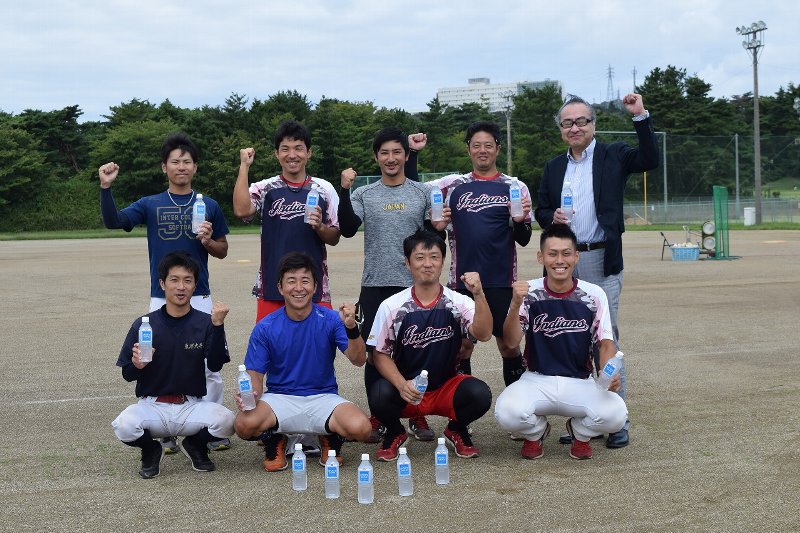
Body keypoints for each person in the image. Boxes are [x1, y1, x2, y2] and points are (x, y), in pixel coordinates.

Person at [534, 93, 659, 449]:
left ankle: (618, 417)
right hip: (565, 264)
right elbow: (542, 210)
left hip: (603, 260)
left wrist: (640, 117)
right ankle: (581, 419)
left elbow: (650, 158)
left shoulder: (613, 155)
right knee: (571, 340)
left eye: (582, 121)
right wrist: (551, 218)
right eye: (568, 123)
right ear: (561, 130)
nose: (575, 128)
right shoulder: (554, 167)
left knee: (606, 339)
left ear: (593, 125)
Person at [99, 132, 231, 453]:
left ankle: (206, 430)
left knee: (208, 366)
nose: (181, 167)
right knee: (157, 358)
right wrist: (106, 188)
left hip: (199, 294)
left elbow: (223, 250)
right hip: (160, 297)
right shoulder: (150, 204)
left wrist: (208, 241)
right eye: (175, 162)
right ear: (164, 167)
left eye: (187, 162)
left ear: (195, 167)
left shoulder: (208, 205)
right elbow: (114, 221)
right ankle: (165, 428)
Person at [338, 128, 450, 444]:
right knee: (375, 352)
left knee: (415, 349)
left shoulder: (422, 192)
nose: (391, 158)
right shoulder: (365, 194)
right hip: (374, 284)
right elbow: (347, 229)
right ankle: (379, 415)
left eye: (397, 152)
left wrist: (437, 228)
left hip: (414, 286)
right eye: (384, 153)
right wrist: (344, 189)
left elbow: (433, 238)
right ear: (377, 157)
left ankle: (416, 412)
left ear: (405, 155)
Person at [494, 225, 627, 460]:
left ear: (576, 256)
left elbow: (606, 343)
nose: (559, 260)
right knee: (506, 413)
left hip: (580, 382)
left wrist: (607, 373)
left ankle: (580, 432)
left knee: (616, 415)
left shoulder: (593, 293)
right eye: (552, 253)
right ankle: (536, 432)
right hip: (536, 379)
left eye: (566, 253)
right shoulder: (530, 292)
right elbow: (511, 341)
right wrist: (515, 304)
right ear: (541, 257)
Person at [233, 252, 372, 472]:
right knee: (243, 424)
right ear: (280, 287)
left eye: (305, 281)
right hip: (281, 398)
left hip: (323, 396)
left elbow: (358, 359)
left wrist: (352, 328)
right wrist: (250, 395)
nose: (299, 287)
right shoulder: (266, 326)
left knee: (363, 428)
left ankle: (330, 437)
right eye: (291, 281)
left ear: (315, 286)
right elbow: (255, 375)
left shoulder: (331, 319)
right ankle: (274, 439)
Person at [369, 229, 492, 460]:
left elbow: (483, 334)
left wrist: (479, 294)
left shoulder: (459, 302)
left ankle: (456, 428)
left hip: (446, 386)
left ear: (443, 261)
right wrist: (401, 384)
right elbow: (380, 354)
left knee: (479, 394)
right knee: (378, 393)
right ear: (407, 263)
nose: (428, 264)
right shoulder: (391, 305)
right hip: (407, 389)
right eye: (420, 257)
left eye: (434, 257)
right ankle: (395, 432)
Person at [427, 120, 533, 387]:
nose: (482, 150)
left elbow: (524, 239)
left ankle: (518, 410)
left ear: (497, 148)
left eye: (488, 145)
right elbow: (434, 228)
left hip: (501, 281)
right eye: (476, 146)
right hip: (462, 282)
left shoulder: (515, 186)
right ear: (468, 150)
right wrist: (436, 228)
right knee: (462, 347)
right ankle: (461, 419)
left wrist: (520, 221)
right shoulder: (452, 187)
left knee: (509, 346)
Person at [112, 252, 235, 478]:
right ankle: (151, 450)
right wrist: (136, 365)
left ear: (195, 285)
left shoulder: (205, 322)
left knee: (228, 422)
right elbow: (127, 375)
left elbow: (216, 365)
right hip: (152, 406)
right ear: (162, 284)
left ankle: (195, 445)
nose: (181, 287)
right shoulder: (144, 324)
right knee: (124, 426)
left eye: (187, 280)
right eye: (174, 280)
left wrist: (218, 327)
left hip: (190, 406)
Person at [233, 120, 340, 322]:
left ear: (309, 152)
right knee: (271, 347)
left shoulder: (323, 189)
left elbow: (334, 236)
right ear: (276, 154)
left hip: (315, 285)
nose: (292, 155)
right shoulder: (266, 187)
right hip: (272, 285)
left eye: (298, 148)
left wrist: (319, 227)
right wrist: (244, 166)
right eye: (285, 149)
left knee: (318, 346)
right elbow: (241, 210)